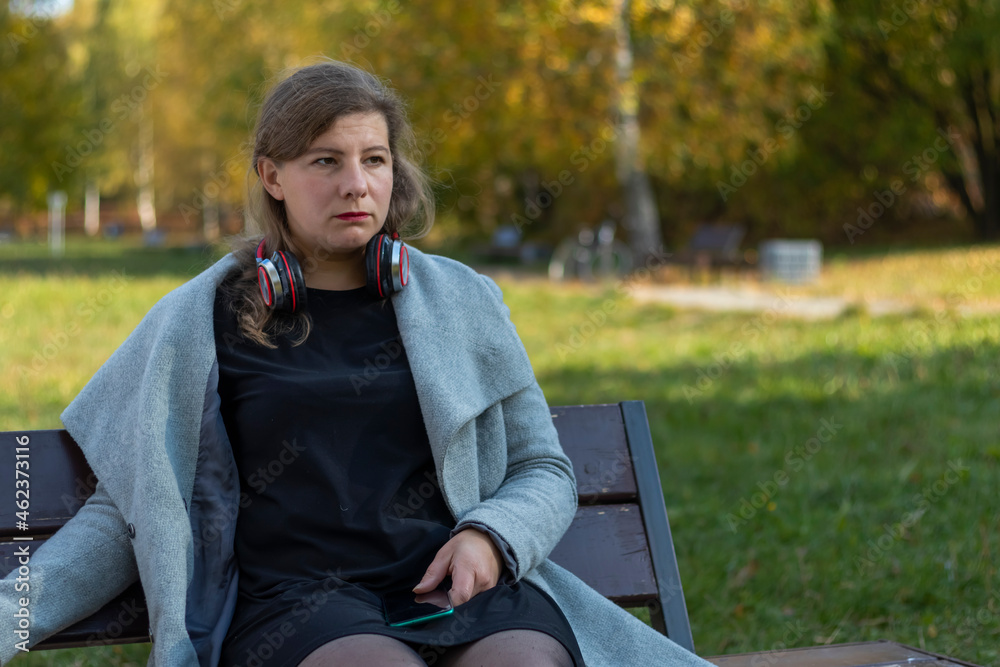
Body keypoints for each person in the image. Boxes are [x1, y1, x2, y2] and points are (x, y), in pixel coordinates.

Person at [0, 59, 714, 667]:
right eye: (326, 161)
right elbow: (130, 506)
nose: (356, 184)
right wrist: (10, 616)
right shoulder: (201, 319)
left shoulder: (461, 301)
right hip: (296, 607)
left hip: (456, 590)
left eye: (374, 159)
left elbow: (543, 469)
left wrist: (491, 537)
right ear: (272, 175)